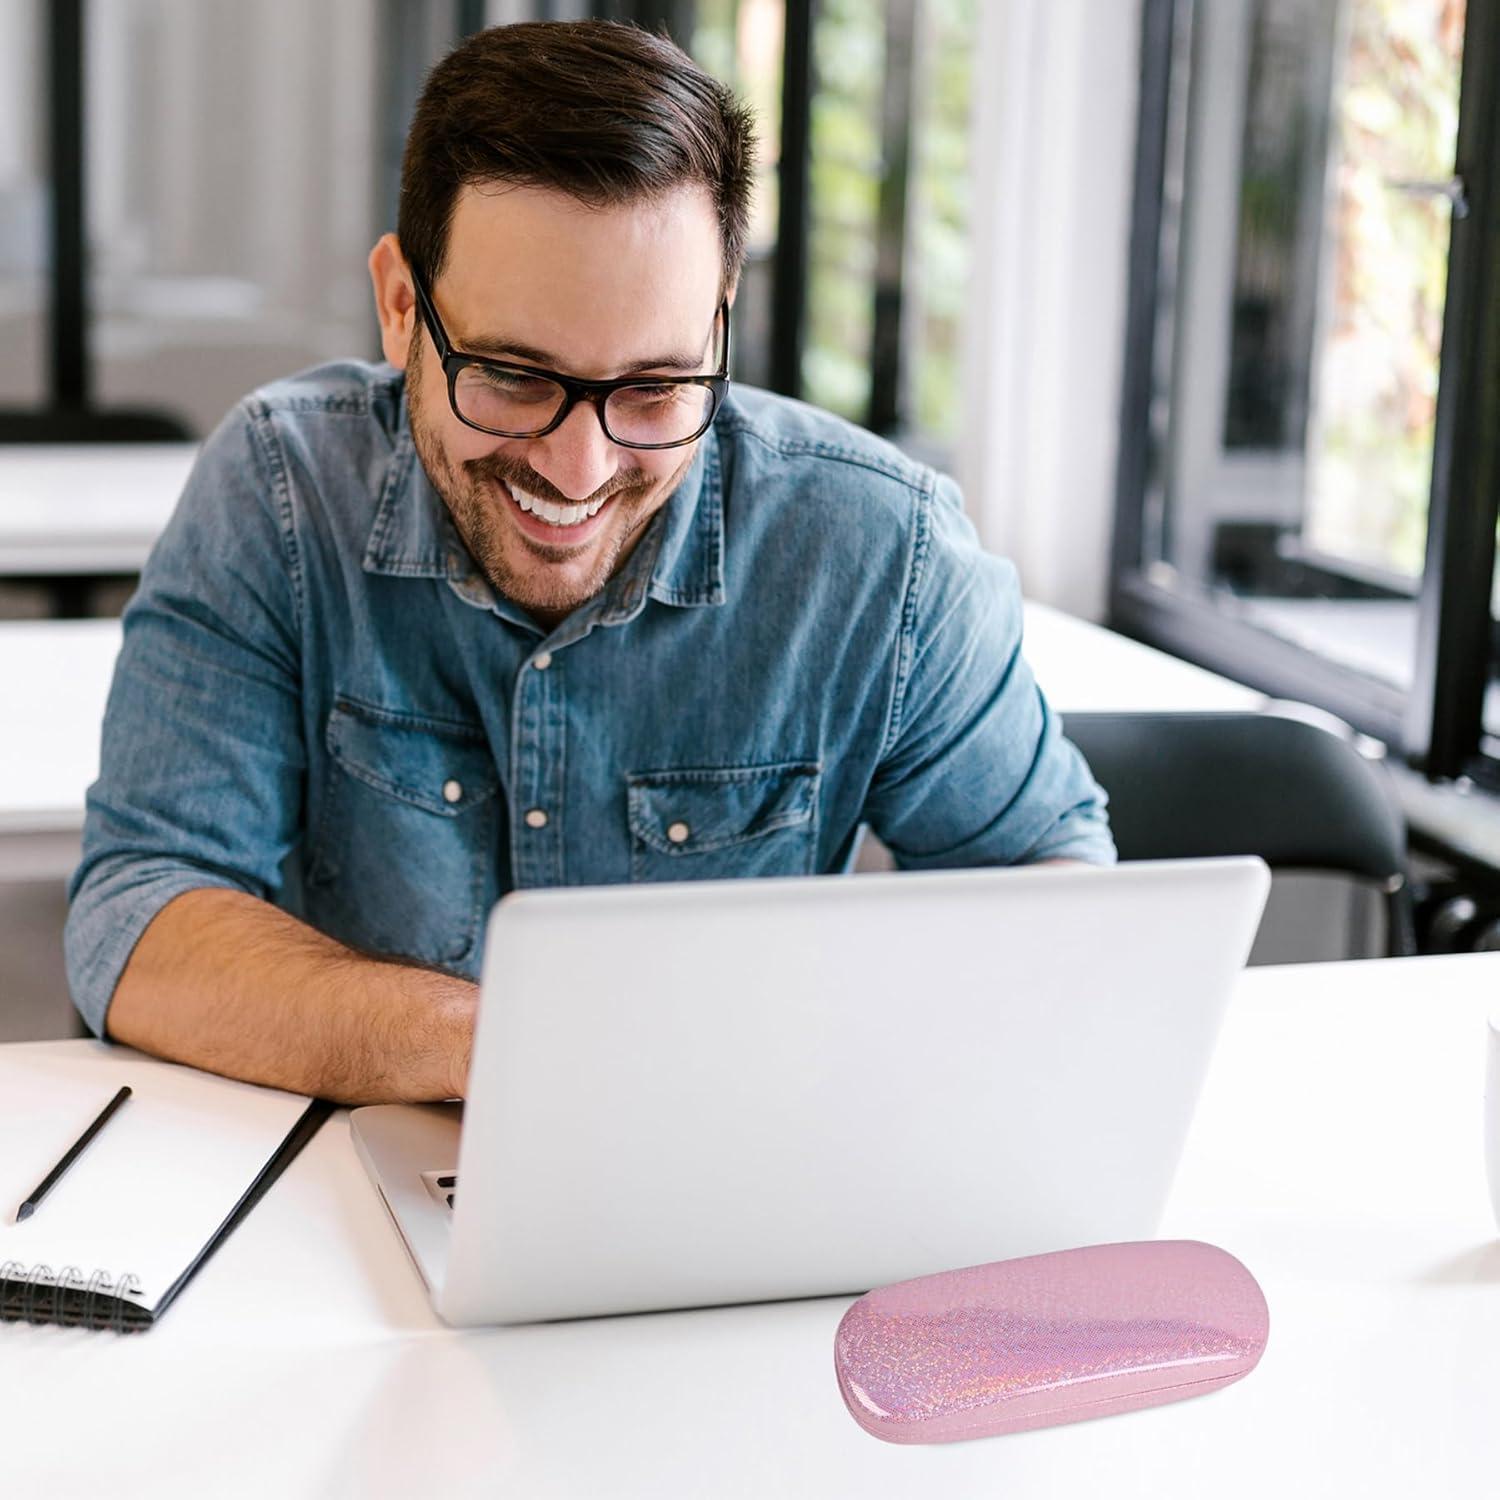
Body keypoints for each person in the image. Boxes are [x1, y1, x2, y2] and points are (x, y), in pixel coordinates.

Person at [65, 20, 1113, 1104]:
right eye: (514, 377)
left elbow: (1055, 895)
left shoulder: (883, 550)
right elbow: (140, 914)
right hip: (359, 1204)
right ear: (398, 306)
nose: (579, 468)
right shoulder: (282, 491)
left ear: (720, 326)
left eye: (655, 388)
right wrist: (517, 1052)